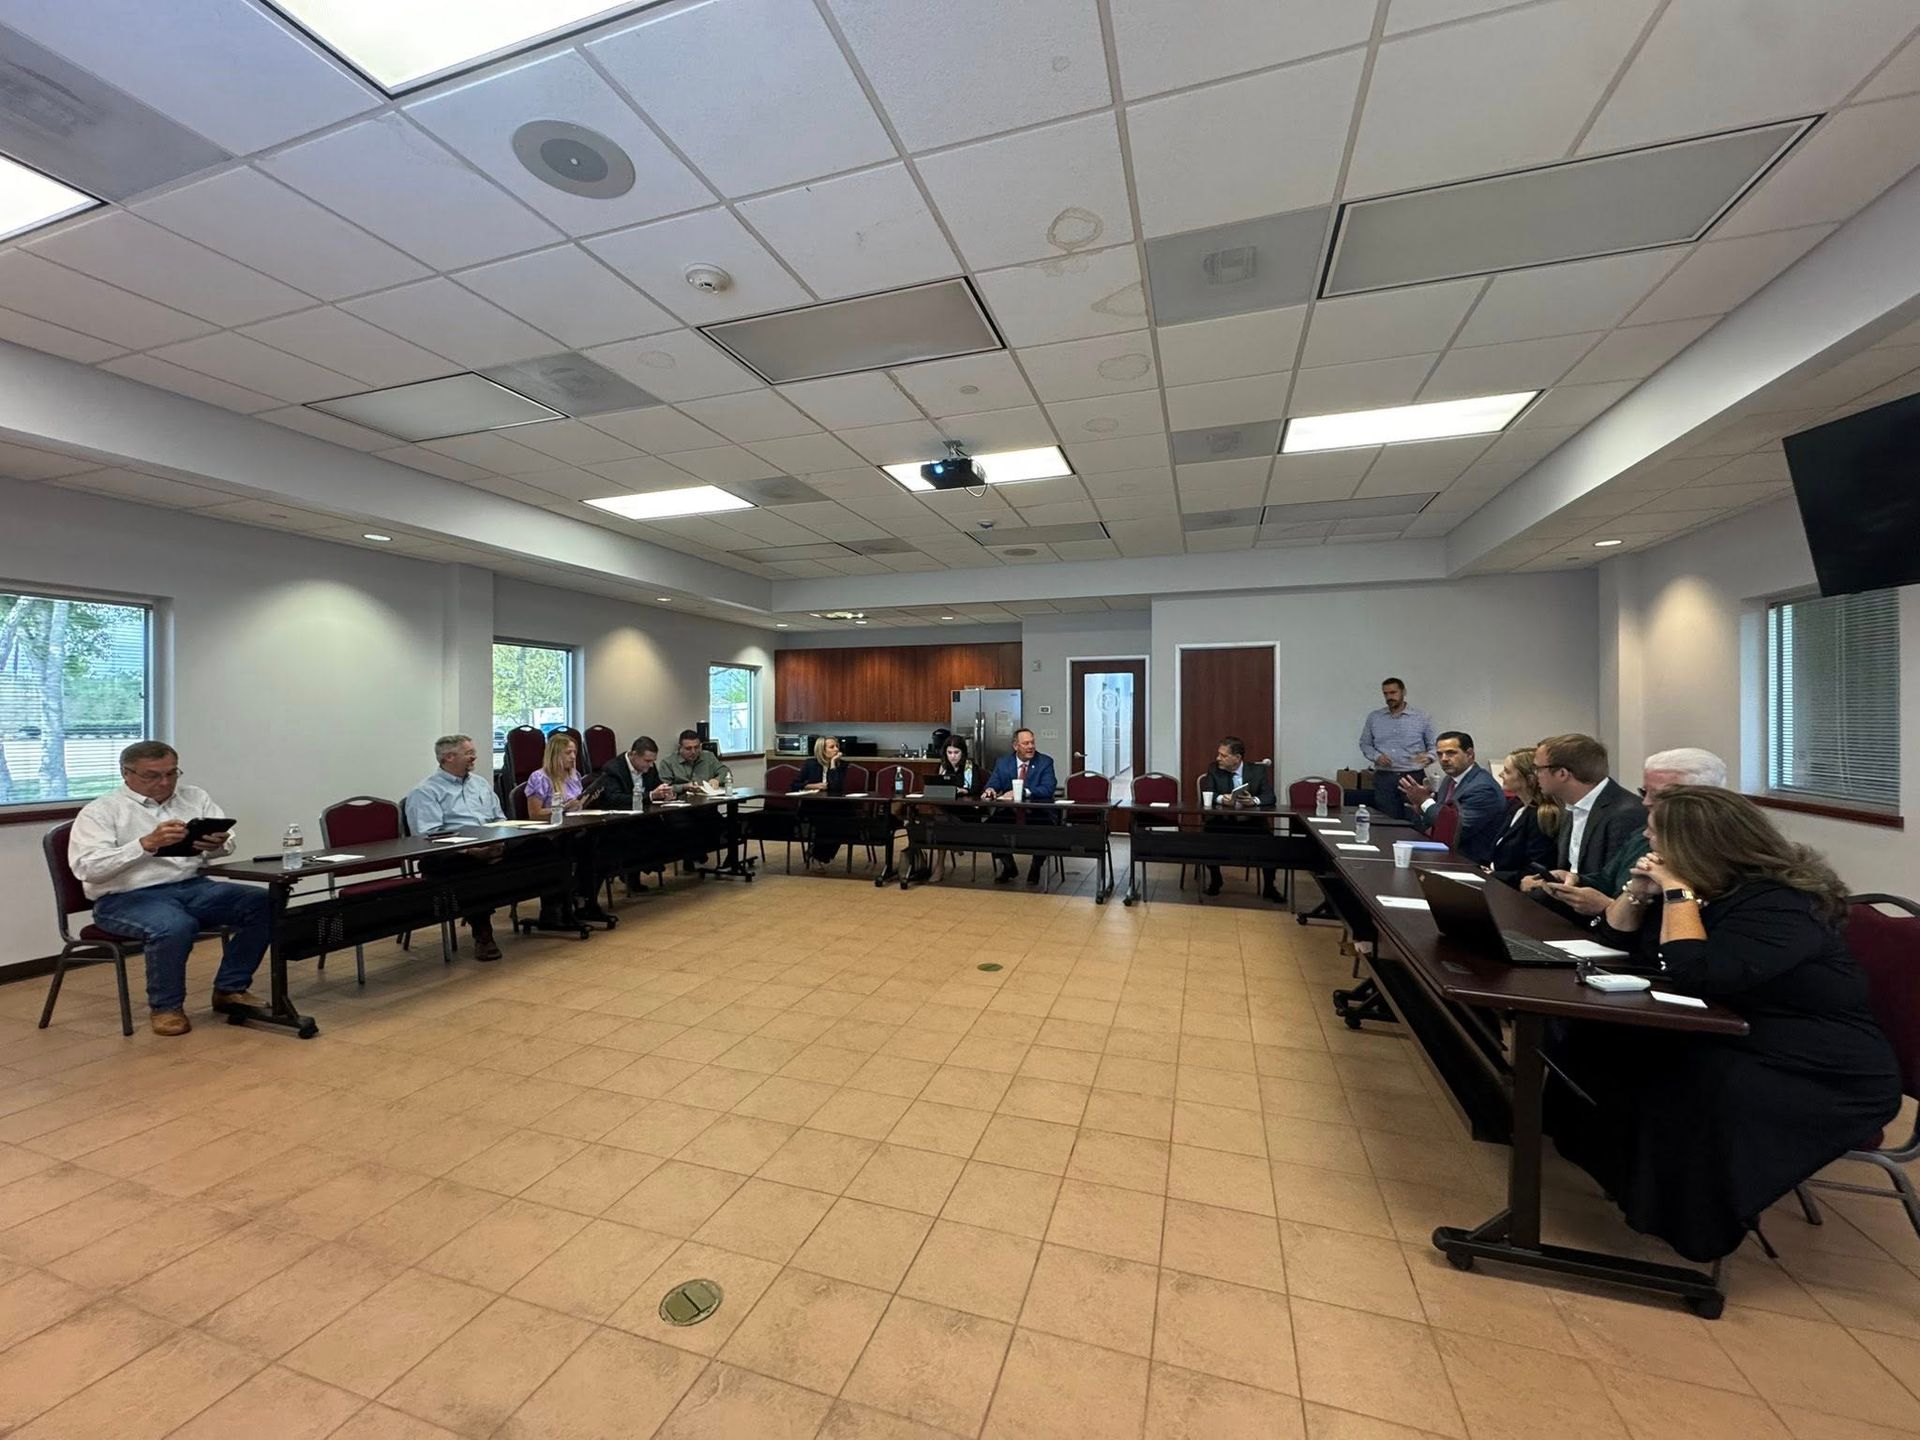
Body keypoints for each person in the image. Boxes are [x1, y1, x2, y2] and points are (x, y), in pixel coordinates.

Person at [1544, 786, 1902, 1262]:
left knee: (1688, 1082)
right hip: (1733, 1029)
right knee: (1600, 1043)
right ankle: (1622, 1181)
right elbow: (1614, 939)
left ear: (1696, 844)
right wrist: (1637, 891)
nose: (1646, 844)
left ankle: (1686, 1224)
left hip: (1817, 1063)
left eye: (1656, 837)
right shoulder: (1703, 887)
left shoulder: (1778, 902)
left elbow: (1698, 970)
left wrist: (1676, 891)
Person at [67, 741, 271, 1035]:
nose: (165, 783)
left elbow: (227, 842)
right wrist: (145, 844)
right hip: (124, 898)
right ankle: (166, 1007)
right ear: (126, 773)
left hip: (191, 886)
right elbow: (87, 868)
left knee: (262, 901)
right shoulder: (101, 811)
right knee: (175, 926)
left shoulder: (194, 796)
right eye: (153, 776)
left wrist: (217, 844)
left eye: (172, 774)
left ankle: (230, 989)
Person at [1542, 746, 1728, 917]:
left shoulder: (1717, 851)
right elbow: (1607, 879)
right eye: (1644, 792)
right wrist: (1574, 879)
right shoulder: (1642, 835)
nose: (1646, 802)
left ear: (1701, 796)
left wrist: (1609, 906)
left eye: (1658, 795)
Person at [404, 733, 514, 960]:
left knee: (540, 848)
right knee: (472, 869)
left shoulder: (481, 784)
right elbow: (430, 837)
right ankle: (483, 934)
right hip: (449, 856)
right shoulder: (425, 792)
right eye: (469, 753)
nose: (474, 757)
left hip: (489, 845)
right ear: (448, 757)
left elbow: (500, 818)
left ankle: (554, 911)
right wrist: (472, 851)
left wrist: (500, 841)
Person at [1519, 734, 1646, 915]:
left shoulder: (1626, 813)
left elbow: (1613, 885)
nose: (1535, 775)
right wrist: (1559, 880)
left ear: (1562, 773)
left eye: (1538, 768)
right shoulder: (1572, 805)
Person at [522, 733, 611, 924]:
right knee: (587, 848)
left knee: (602, 846)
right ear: (555, 754)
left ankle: (585, 898)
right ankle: (571, 902)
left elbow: (576, 806)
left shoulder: (574, 775)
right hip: (551, 835)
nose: (572, 756)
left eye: (575, 752)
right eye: (568, 752)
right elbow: (535, 813)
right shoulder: (539, 778)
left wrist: (586, 801)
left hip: (573, 828)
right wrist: (563, 807)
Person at [1400, 730, 1506, 864]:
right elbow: (1439, 821)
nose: (1444, 759)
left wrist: (1425, 802)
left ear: (1469, 754)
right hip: (1445, 854)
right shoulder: (1449, 780)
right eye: (1439, 754)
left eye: (1451, 753)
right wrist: (1422, 810)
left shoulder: (1483, 788)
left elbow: (1457, 829)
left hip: (1470, 861)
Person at [1199, 736, 1281, 901]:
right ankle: (1216, 880)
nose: (1218, 759)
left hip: (1251, 823)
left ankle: (1269, 887)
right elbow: (1208, 793)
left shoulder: (1257, 771)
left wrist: (1254, 801)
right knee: (1207, 838)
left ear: (1237, 758)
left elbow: (1270, 797)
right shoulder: (1214, 769)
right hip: (1222, 822)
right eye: (1218, 754)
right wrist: (1222, 799)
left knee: (1271, 845)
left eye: (1223, 755)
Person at [982, 728, 1056, 884]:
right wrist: (990, 790)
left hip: (1038, 812)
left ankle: (1036, 867)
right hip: (1010, 812)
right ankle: (1008, 865)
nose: (1031, 747)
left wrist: (1024, 792)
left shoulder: (1045, 762)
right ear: (1016, 746)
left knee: (1044, 830)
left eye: (1032, 742)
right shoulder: (1003, 762)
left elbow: (1048, 788)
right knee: (989, 828)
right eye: (1026, 743)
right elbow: (993, 783)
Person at [1358, 677, 1435, 818]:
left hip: (1413, 777)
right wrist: (1376, 756)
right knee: (1386, 820)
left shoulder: (1422, 717)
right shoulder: (1375, 717)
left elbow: (1434, 745)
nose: (1389, 697)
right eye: (1385, 694)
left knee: (1415, 818)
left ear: (1403, 692)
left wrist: (1429, 757)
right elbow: (1365, 744)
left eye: (1393, 693)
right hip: (1384, 777)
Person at [909, 736, 981, 883]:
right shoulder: (942, 767)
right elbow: (934, 785)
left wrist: (963, 791)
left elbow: (976, 788)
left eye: (956, 752)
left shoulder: (970, 767)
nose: (953, 756)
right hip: (945, 810)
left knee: (936, 821)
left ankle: (939, 865)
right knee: (934, 820)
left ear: (963, 753)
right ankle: (921, 861)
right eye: (950, 752)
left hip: (965, 813)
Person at [1488, 747, 1561, 888]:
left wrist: (1494, 875)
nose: (1501, 775)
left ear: (1529, 779)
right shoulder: (1515, 806)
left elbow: (1536, 871)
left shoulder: (1542, 816)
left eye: (1507, 771)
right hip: (1499, 882)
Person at [791, 736, 851, 866]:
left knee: (842, 821)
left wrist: (833, 763)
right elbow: (795, 785)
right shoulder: (810, 764)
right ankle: (820, 854)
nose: (836, 749)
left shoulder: (843, 765)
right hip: (813, 805)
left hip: (836, 806)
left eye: (837, 746)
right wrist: (813, 785)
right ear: (822, 751)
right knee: (826, 820)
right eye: (831, 747)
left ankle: (818, 853)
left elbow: (836, 787)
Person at [593, 734, 674, 811]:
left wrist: (665, 793)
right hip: (622, 819)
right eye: (647, 761)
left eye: (653, 761)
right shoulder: (613, 768)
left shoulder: (650, 767)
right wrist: (651, 795)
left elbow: (656, 787)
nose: (651, 765)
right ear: (634, 754)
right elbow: (614, 799)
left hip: (647, 814)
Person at [659, 729, 726, 793]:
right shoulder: (668, 763)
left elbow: (725, 771)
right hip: (682, 801)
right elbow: (664, 788)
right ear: (680, 748)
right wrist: (684, 787)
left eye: (696, 747)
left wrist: (717, 780)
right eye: (688, 748)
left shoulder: (708, 756)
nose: (693, 752)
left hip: (707, 800)